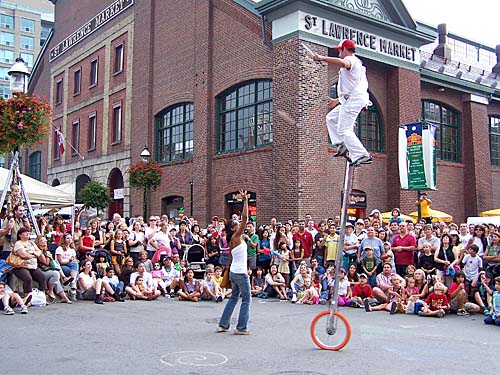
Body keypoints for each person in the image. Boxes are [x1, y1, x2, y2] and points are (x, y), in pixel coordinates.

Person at [313, 39, 371, 166]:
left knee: (344, 129)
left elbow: (343, 63)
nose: (338, 52)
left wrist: (322, 58)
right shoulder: (358, 65)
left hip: (353, 101)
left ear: (345, 49)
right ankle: (341, 143)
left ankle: (361, 154)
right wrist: (337, 101)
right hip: (351, 100)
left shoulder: (352, 60)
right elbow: (352, 88)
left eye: (339, 49)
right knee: (331, 118)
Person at [217, 189, 252, 335]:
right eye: (236, 224)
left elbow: (231, 257)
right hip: (240, 272)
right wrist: (245, 201)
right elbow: (245, 218)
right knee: (246, 300)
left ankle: (223, 325)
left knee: (233, 298)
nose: (240, 225)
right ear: (233, 228)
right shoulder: (237, 236)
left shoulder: (233, 239)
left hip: (233, 271)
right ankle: (241, 328)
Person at [11, 227, 48, 298]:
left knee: (42, 276)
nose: (27, 234)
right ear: (20, 235)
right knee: (28, 278)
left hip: (32, 266)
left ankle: (42, 296)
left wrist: (32, 253)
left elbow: (39, 251)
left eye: (28, 233)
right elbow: (23, 255)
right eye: (25, 233)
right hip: (21, 266)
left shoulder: (31, 243)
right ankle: (27, 297)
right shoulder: (18, 243)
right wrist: (34, 255)